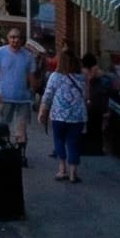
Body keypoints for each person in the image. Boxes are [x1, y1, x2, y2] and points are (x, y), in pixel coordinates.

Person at [0, 26, 40, 151]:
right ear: (8, 38)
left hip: (23, 98)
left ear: (22, 40)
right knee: (1, 127)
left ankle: (20, 154)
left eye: (18, 38)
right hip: (4, 96)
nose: (15, 40)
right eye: (12, 37)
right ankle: (1, 150)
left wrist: (33, 92)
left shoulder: (28, 56)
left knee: (21, 130)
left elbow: (32, 77)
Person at [42, 53, 91, 181]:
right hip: (77, 116)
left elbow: (48, 95)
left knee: (59, 140)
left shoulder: (55, 76)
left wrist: (43, 111)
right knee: (73, 143)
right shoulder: (82, 77)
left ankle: (62, 169)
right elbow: (86, 96)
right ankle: (73, 173)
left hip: (59, 115)